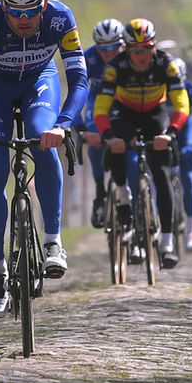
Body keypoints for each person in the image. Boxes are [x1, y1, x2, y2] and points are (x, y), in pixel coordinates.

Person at [0, 0, 88, 318]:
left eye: (32, 11)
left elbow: (78, 80)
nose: (24, 19)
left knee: (42, 142)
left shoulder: (61, 17)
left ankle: (53, 243)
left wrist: (62, 125)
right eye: (15, 12)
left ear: (44, 4)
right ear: (3, 6)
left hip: (39, 84)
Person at [94, 18, 189, 269]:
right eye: (134, 50)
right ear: (126, 49)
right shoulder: (115, 67)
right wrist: (108, 136)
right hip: (124, 113)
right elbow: (101, 108)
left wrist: (170, 133)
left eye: (146, 48)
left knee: (161, 174)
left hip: (155, 115)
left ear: (154, 46)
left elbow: (181, 103)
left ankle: (167, 243)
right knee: (117, 144)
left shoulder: (166, 65)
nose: (141, 55)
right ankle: (123, 193)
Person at [159, 43, 192, 252]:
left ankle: (191, 230)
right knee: (158, 178)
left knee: (188, 178)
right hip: (165, 134)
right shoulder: (160, 89)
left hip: (186, 136)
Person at [75, 18, 126, 229]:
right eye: (103, 47)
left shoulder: (131, 57)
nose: (108, 52)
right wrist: (80, 128)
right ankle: (100, 192)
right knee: (96, 138)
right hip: (98, 101)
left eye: (114, 46)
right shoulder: (88, 59)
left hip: (124, 99)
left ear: (123, 43)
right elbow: (76, 95)